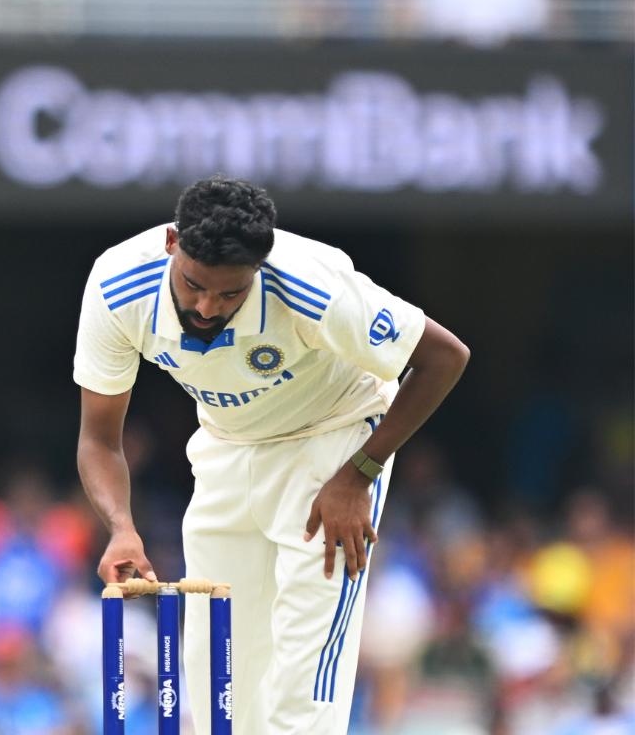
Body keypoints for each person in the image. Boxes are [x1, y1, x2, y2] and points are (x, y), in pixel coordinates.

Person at [73, 176, 469, 733]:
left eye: (230, 293)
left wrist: (358, 475)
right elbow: (99, 439)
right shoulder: (119, 286)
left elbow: (444, 358)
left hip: (333, 440)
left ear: (259, 269)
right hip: (226, 447)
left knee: (301, 691)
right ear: (170, 242)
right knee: (218, 691)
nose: (207, 307)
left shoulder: (312, 286)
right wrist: (120, 526)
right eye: (193, 285)